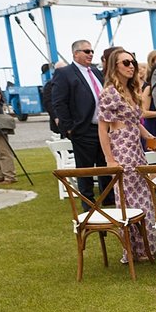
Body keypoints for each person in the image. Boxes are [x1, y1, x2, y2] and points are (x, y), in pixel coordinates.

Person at [97, 47, 156, 263]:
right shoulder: (109, 93)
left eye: (132, 61)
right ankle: (133, 250)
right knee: (129, 201)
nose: (131, 65)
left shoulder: (132, 91)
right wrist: (110, 159)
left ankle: (147, 247)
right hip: (121, 148)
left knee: (144, 199)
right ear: (114, 66)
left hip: (136, 148)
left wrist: (149, 136)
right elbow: (102, 129)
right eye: (125, 62)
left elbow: (135, 122)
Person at [51, 39, 112, 205]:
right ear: (75, 53)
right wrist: (69, 128)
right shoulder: (65, 73)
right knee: (85, 168)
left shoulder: (96, 72)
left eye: (92, 51)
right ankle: (88, 201)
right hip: (82, 128)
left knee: (105, 164)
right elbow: (59, 102)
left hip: (103, 128)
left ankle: (108, 198)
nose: (90, 54)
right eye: (86, 51)